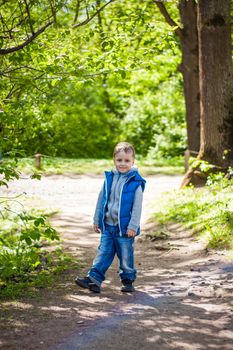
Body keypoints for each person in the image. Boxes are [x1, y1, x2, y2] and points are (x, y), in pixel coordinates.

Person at [75, 141, 146, 293]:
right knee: (103, 253)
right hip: (108, 226)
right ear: (114, 160)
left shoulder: (136, 183)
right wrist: (97, 219)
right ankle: (94, 279)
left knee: (125, 255)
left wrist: (133, 226)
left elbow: (137, 207)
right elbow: (101, 200)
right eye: (119, 160)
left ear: (133, 161)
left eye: (127, 160)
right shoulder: (109, 179)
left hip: (125, 229)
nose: (123, 163)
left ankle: (127, 280)